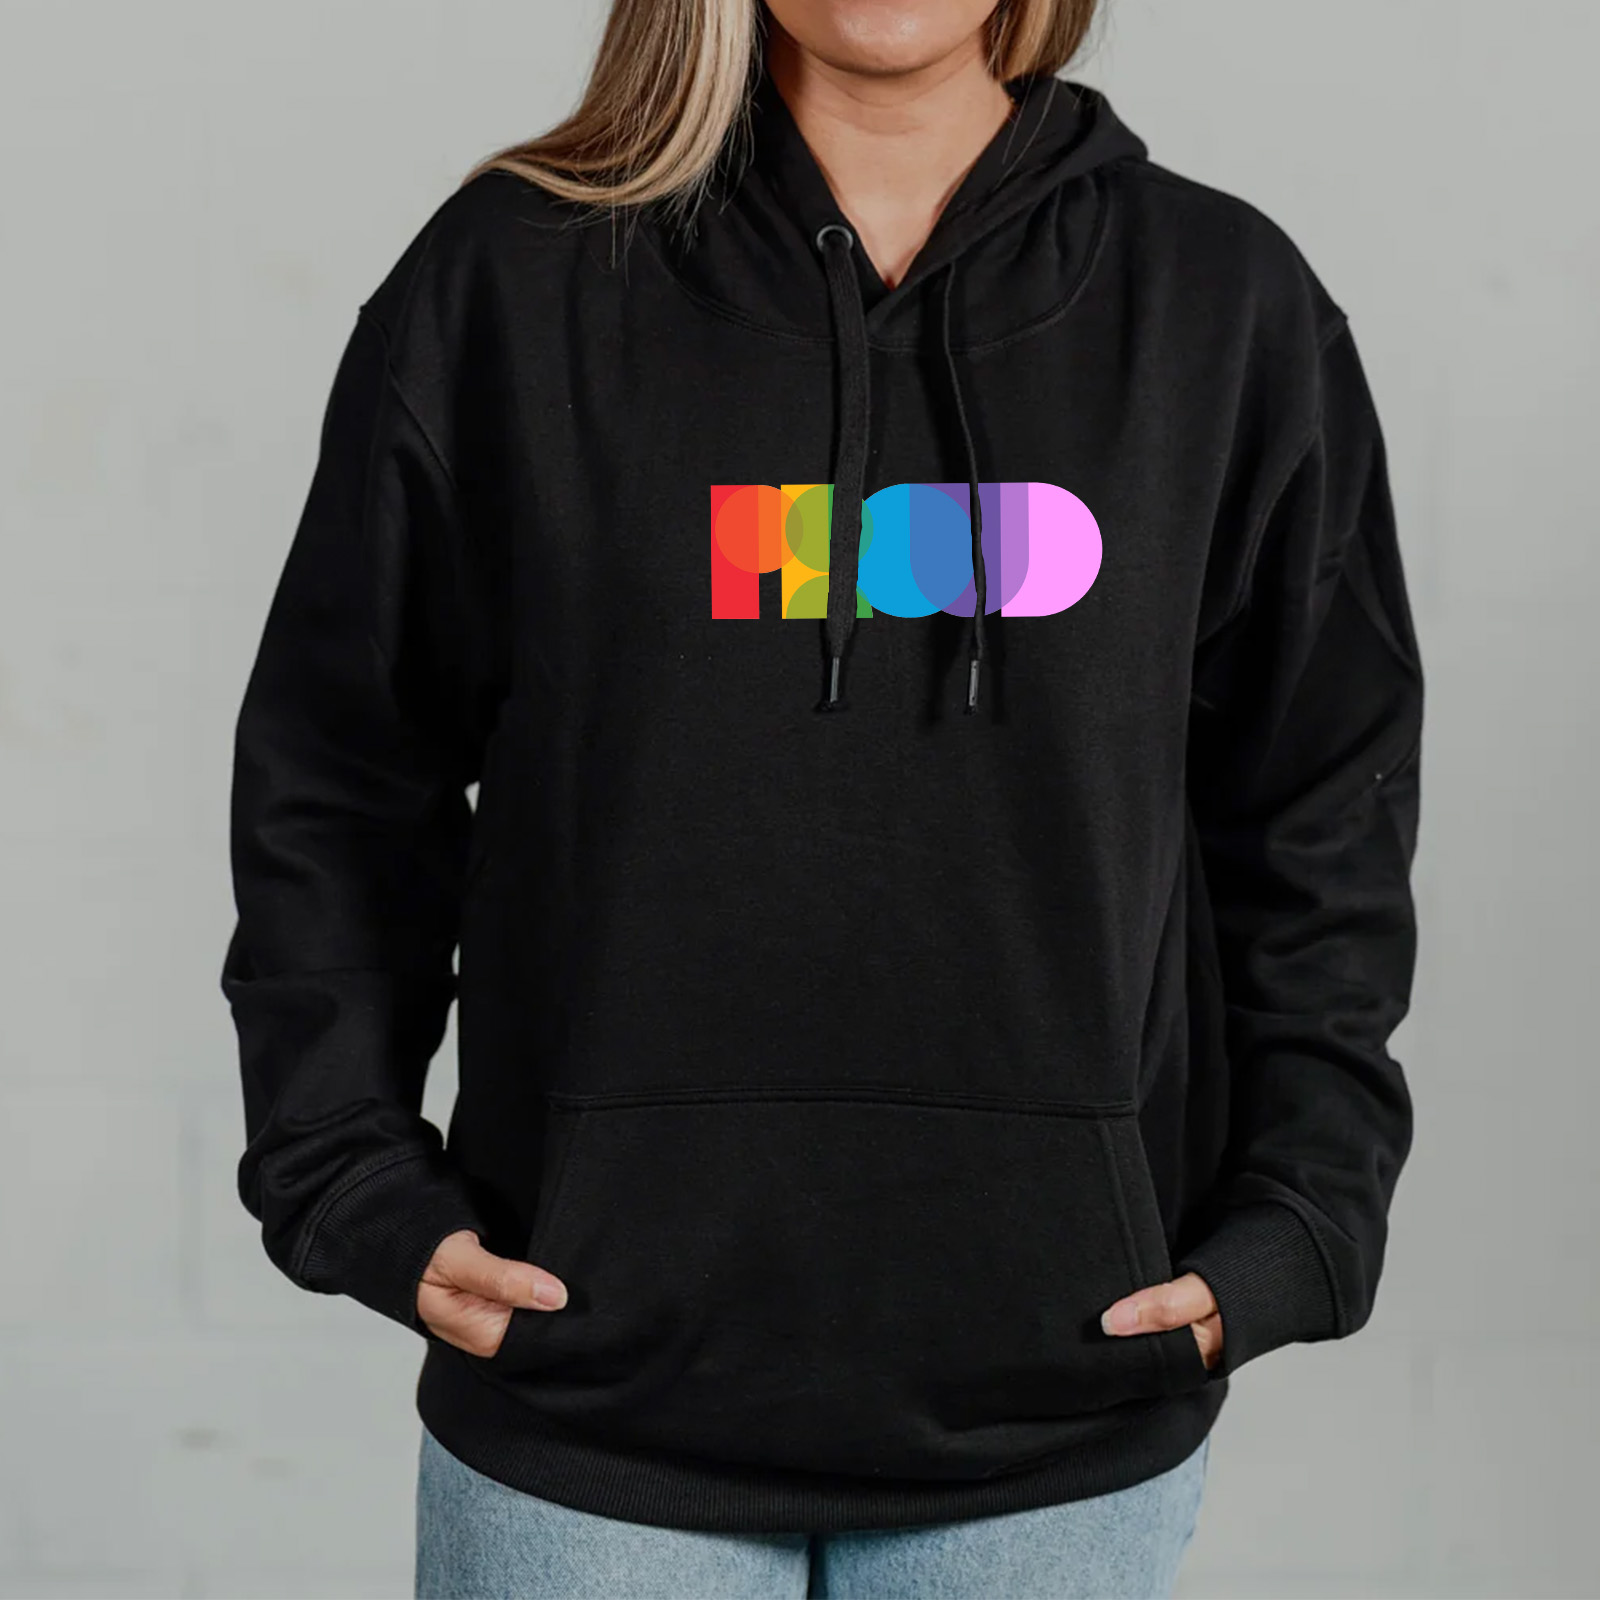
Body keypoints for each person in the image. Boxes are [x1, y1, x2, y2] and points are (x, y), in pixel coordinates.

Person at [220, 0, 1423, 1594]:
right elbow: (340, 772)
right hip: (590, 1400)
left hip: (1060, 1410)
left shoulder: (1222, 304)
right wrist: (347, 1172)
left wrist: (1304, 1210)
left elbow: (1323, 806)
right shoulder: (515, 279)